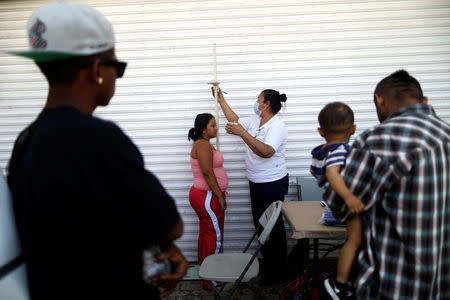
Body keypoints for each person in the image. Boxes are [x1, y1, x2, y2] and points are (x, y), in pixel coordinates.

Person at [6, 2, 188, 300]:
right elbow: (170, 225)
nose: (117, 76)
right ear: (95, 69)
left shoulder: (26, 141)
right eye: (117, 66)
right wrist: (166, 241)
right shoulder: (99, 138)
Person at [324, 70, 450, 299]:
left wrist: (327, 174)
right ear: (424, 102)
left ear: (380, 100)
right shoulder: (445, 135)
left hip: (395, 281)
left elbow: (342, 205)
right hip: (440, 281)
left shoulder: (379, 140)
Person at [215, 87, 288, 285]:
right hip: (256, 181)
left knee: (272, 227)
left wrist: (242, 134)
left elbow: (266, 152)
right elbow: (235, 122)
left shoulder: (277, 126)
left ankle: (278, 273)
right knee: (261, 225)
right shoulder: (256, 120)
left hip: (272, 183)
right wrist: (221, 100)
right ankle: (268, 264)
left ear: (266, 105)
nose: (255, 103)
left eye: (258, 100)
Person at [310, 102, 364, 299]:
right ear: (353, 129)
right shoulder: (340, 150)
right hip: (345, 201)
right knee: (354, 240)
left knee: (355, 239)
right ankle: (340, 283)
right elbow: (333, 173)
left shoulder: (319, 152)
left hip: (333, 201)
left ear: (320, 131)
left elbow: (315, 171)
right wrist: (349, 197)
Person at [188, 113, 228, 290]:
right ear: (204, 130)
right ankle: (212, 280)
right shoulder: (203, 145)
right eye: (213, 125)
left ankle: (206, 274)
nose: (216, 128)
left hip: (206, 195)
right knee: (215, 237)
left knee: (207, 235)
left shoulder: (204, 143)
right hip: (208, 197)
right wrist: (219, 195)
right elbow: (207, 172)